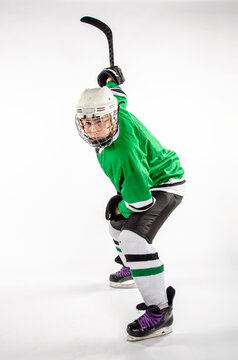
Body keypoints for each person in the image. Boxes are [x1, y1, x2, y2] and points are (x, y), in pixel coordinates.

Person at [75, 66, 185, 341]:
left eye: (99, 121)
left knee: (133, 238)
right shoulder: (115, 110)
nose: (93, 128)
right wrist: (109, 81)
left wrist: (119, 208)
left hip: (164, 183)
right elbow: (117, 95)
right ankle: (133, 268)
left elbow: (139, 201)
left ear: (111, 118)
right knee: (115, 229)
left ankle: (160, 312)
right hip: (147, 182)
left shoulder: (123, 150)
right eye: (88, 122)